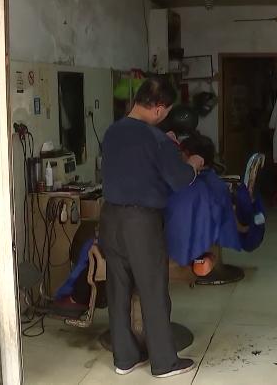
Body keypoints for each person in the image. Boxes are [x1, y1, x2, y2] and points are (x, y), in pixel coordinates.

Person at [100, 77, 204, 378]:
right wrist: (193, 164)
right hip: (141, 223)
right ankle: (164, 363)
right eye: (166, 111)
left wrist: (164, 143)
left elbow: (135, 161)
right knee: (152, 290)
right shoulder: (157, 140)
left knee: (118, 290)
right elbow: (179, 179)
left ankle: (124, 359)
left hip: (110, 219)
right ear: (158, 109)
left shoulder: (113, 131)